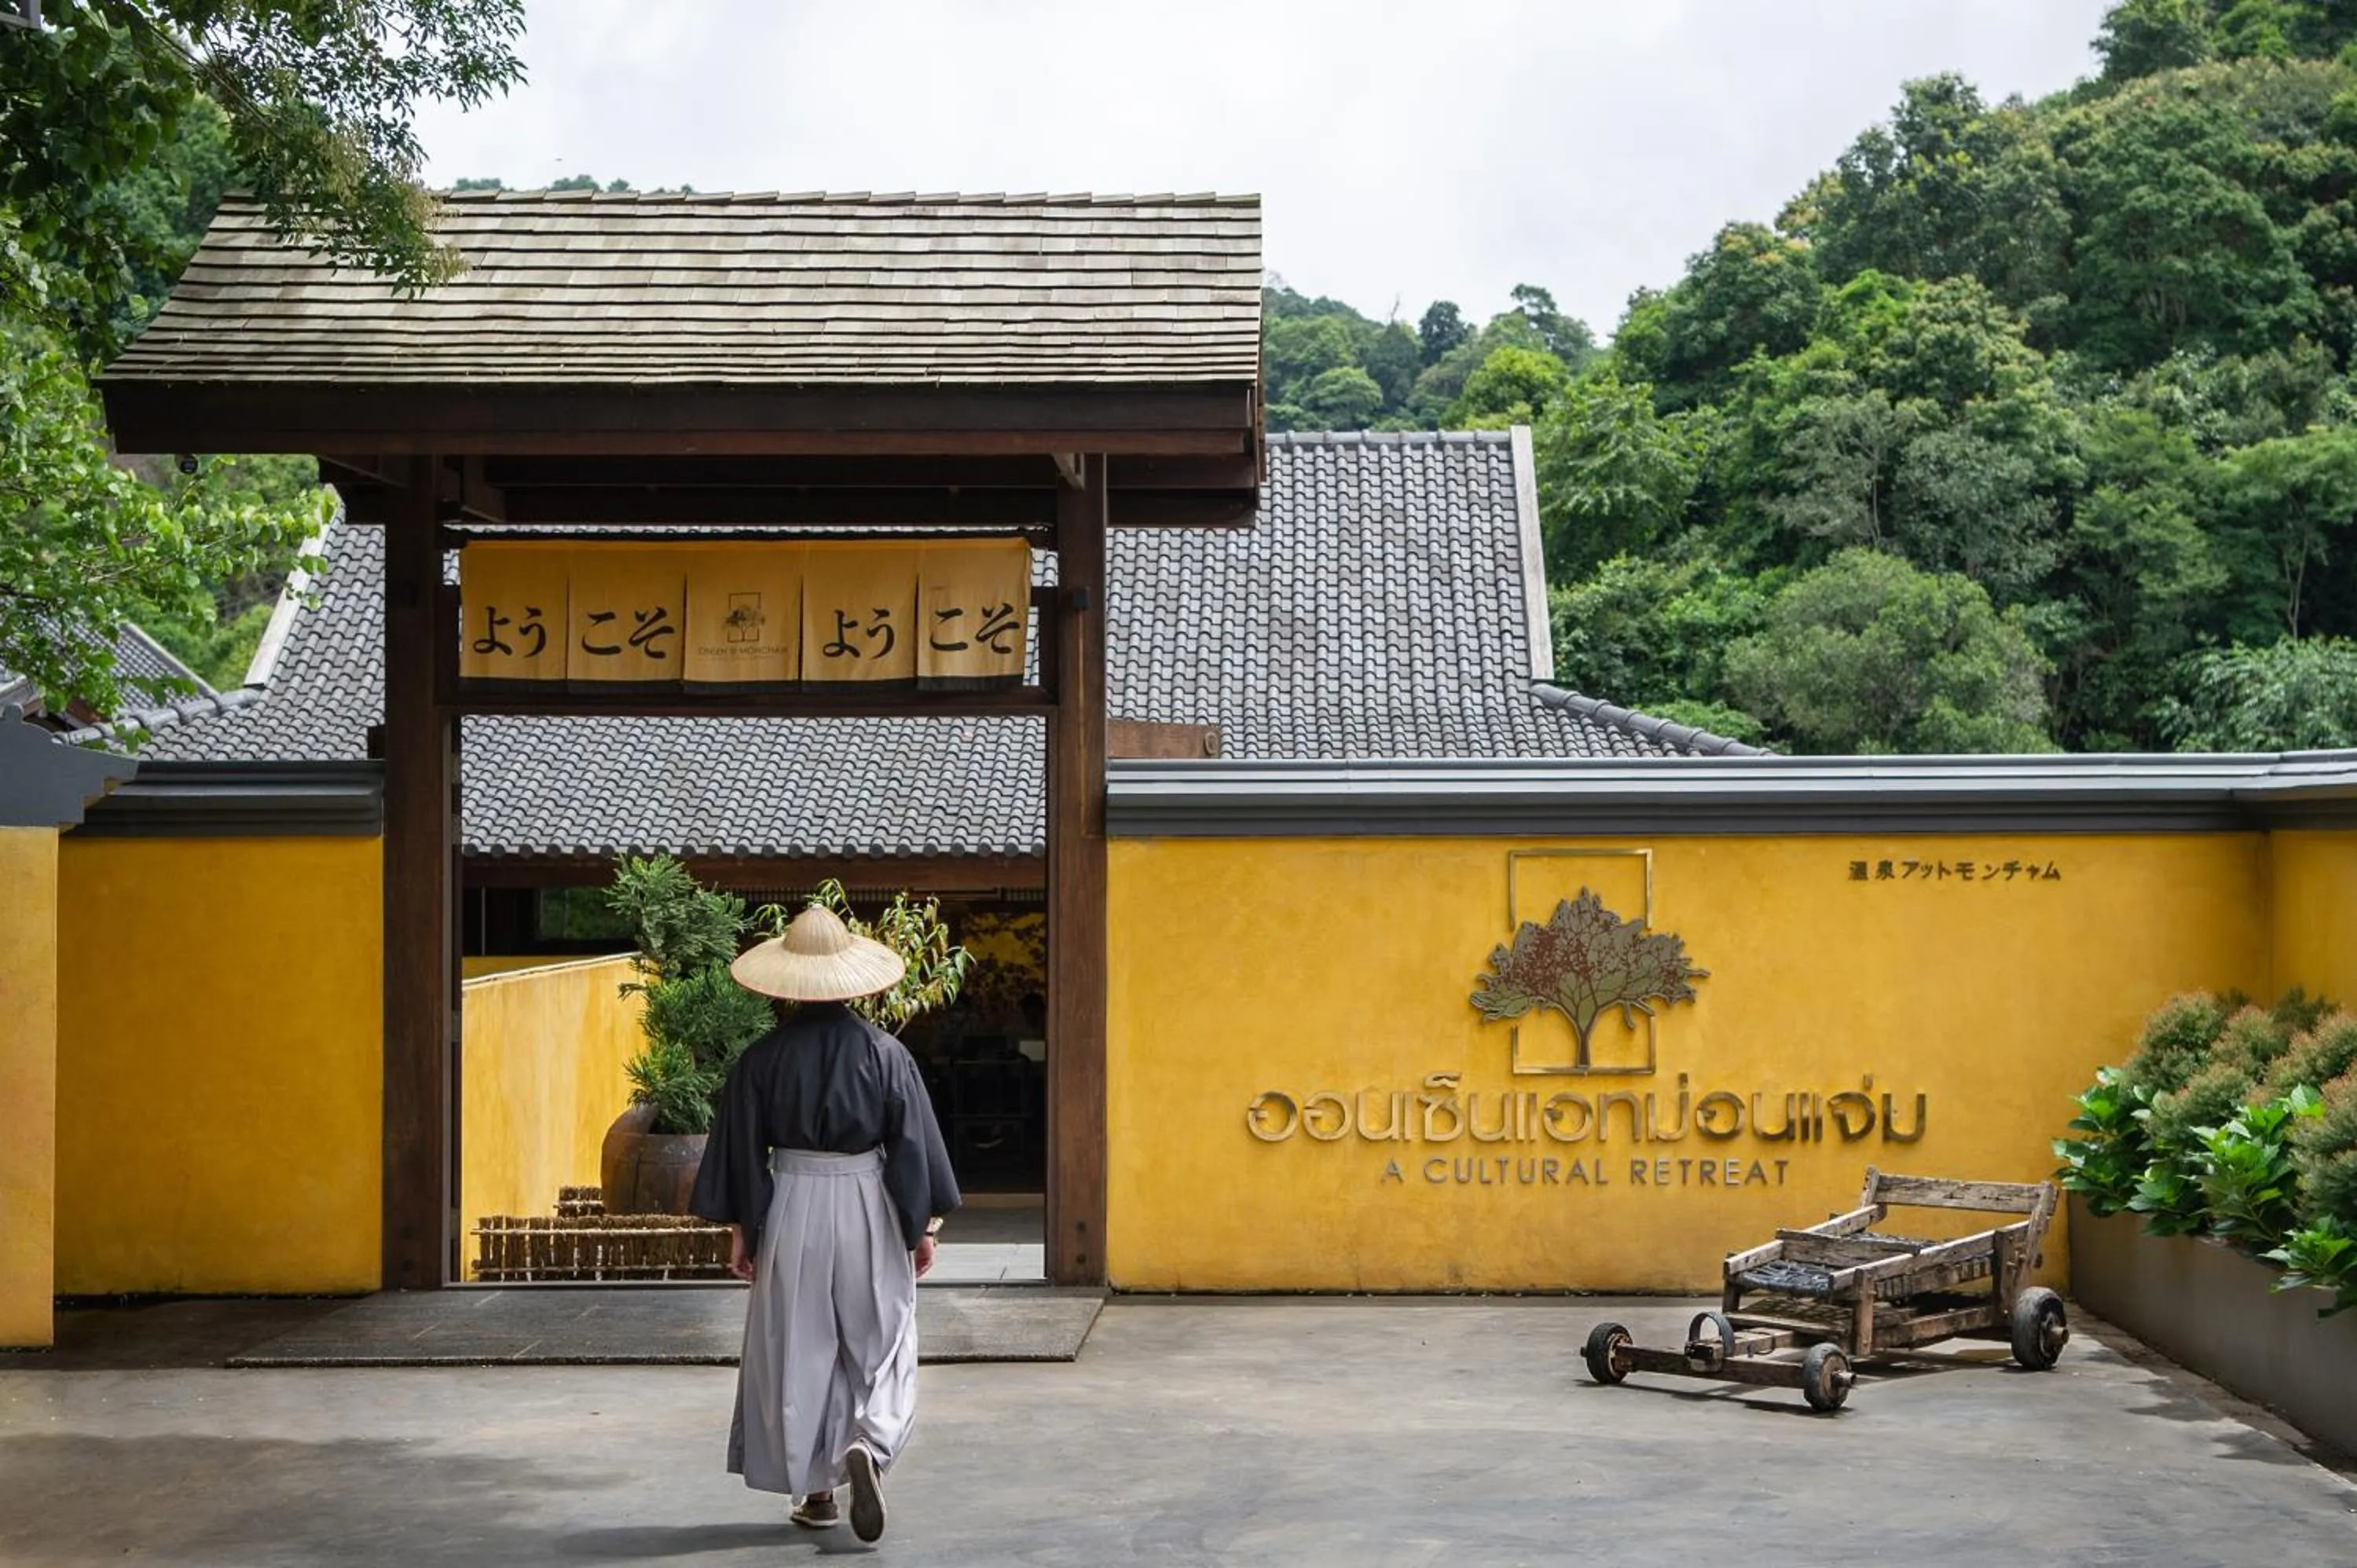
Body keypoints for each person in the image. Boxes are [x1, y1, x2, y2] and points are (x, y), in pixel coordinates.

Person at [690, 903, 961, 1544]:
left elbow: (741, 1151)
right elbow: (912, 1146)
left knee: (801, 1348)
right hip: (866, 1195)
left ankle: (816, 1493)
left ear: (788, 980)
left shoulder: (760, 1060)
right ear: (851, 977)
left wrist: (743, 1230)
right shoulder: (886, 1054)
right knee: (886, 1335)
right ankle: (872, 1440)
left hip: (792, 1201)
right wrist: (918, 1226)